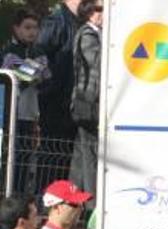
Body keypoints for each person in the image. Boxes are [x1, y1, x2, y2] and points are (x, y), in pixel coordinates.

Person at [1, 8, 51, 194]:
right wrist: (33, 71)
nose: (32, 31)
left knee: (24, 161)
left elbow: (45, 77)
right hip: (10, 115)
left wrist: (32, 71)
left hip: (30, 115)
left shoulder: (38, 51)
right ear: (16, 28)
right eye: (27, 27)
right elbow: (28, 76)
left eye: (35, 27)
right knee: (9, 160)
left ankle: (19, 198)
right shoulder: (9, 51)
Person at [36, 0, 80, 188]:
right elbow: (37, 58)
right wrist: (48, 88)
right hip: (55, 106)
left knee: (69, 162)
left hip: (75, 107)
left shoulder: (83, 22)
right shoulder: (55, 23)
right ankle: (45, 204)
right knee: (53, 160)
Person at [69, 0, 103, 201]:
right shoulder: (87, 34)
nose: (104, 13)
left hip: (89, 103)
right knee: (90, 157)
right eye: (100, 9)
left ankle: (72, 203)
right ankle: (91, 206)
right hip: (87, 104)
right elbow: (98, 63)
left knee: (81, 158)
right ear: (90, 13)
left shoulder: (97, 34)